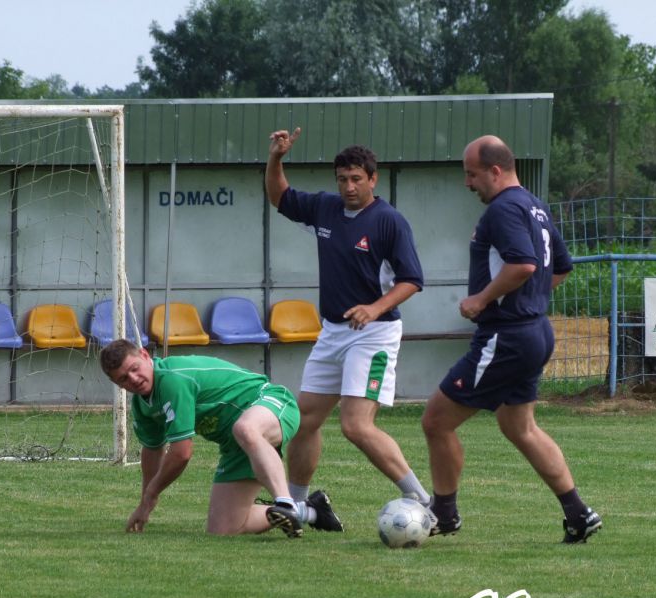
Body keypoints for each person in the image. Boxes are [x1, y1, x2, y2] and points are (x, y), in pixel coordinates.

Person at [420, 135, 602, 544]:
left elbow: (522, 264)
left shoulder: (503, 209)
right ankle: (578, 513)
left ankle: (444, 514)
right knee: (520, 427)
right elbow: (558, 268)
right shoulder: (535, 205)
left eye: (472, 174)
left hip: (507, 335)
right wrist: (530, 299)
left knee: (436, 420)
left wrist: (481, 299)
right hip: (535, 331)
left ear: (495, 171)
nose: (468, 184)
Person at [265, 128, 433, 516]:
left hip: (374, 333)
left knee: (356, 426)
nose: (349, 186)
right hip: (333, 332)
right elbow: (279, 196)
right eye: (343, 179)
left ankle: (424, 501)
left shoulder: (389, 222)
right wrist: (276, 158)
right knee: (303, 421)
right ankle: (299, 505)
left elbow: (412, 280)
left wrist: (374, 308)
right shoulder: (326, 208)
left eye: (357, 179)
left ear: (373, 179)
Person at [99, 339, 343, 537]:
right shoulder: (142, 406)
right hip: (236, 444)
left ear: (144, 355)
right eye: (123, 378)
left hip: (271, 402)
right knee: (224, 528)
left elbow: (181, 453)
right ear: (115, 383)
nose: (133, 379)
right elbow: (152, 450)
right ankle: (310, 511)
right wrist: (144, 502)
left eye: (134, 369)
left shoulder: (172, 379)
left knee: (246, 428)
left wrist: (153, 493)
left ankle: (286, 502)